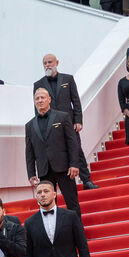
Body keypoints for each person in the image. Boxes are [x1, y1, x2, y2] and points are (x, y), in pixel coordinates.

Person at [33, 54, 96, 190]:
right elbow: (37, 108)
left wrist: (78, 120)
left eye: (50, 62)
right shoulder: (38, 84)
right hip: (50, 127)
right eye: (45, 63)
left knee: (77, 150)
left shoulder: (68, 79)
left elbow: (76, 101)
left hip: (69, 123)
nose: (47, 65)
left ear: (57, 62)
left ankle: (86, 180)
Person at [25, 87, 84, 218]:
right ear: (34, 101)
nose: (40, 100)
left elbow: (72, 143)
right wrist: (31, 173)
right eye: (37, 98)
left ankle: (77, 230)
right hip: (44, 170)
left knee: (72, 203)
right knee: (48, 206)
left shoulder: (63, 117)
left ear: (49, 99)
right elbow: (29, 151)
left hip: (65, 168)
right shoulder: (29, 125)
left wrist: (74, 164)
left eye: (43, 97)